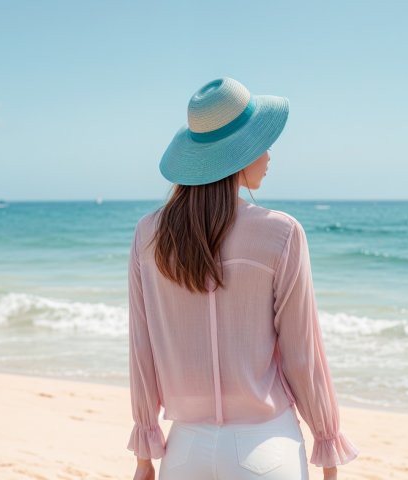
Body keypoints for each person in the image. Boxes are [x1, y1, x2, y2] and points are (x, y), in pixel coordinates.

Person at [127, 77, 359, 480]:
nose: (269, 155)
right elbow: (303, 356)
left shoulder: (148, 235)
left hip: (184, 453)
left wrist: (145, 455)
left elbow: (141, 350)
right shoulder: (282, 233)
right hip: (267, 450)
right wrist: (327, 442)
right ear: (237, 155)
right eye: (260, 144)